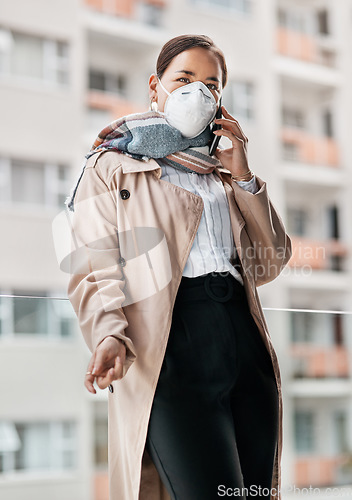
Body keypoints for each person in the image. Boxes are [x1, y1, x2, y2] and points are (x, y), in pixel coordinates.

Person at [64, 34, 292, 500]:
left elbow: (269, 262)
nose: (198, 93)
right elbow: (93, 265)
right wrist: (108, 332)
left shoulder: (226, 171)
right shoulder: (111, 164)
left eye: (211, 85)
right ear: (156, 86)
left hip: (243, 341)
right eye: (184, 79)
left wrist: (245, 176)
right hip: (167, 345)